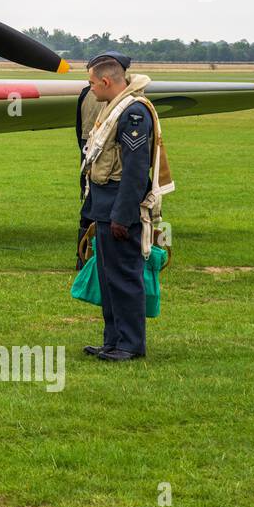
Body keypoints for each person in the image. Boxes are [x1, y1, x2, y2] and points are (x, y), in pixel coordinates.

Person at [80, 54, 153, 361]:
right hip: (104, 205)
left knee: (123, 278)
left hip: (118, 208)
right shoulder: (115, 108)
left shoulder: (134, 113)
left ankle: (130, 344)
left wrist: (123, 215)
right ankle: (113, 341)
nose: (90, 89)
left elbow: (136, 171)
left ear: (106, 81)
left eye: (92, 83)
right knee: (108, 280)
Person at [73, 51, 128, 269]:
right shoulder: (126, 100)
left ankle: (84, 257)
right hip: (107, 161)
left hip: (90, 153)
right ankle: (90, 257)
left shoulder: (86, 93)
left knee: (89, 208)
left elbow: (79, 129)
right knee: (97, 209)